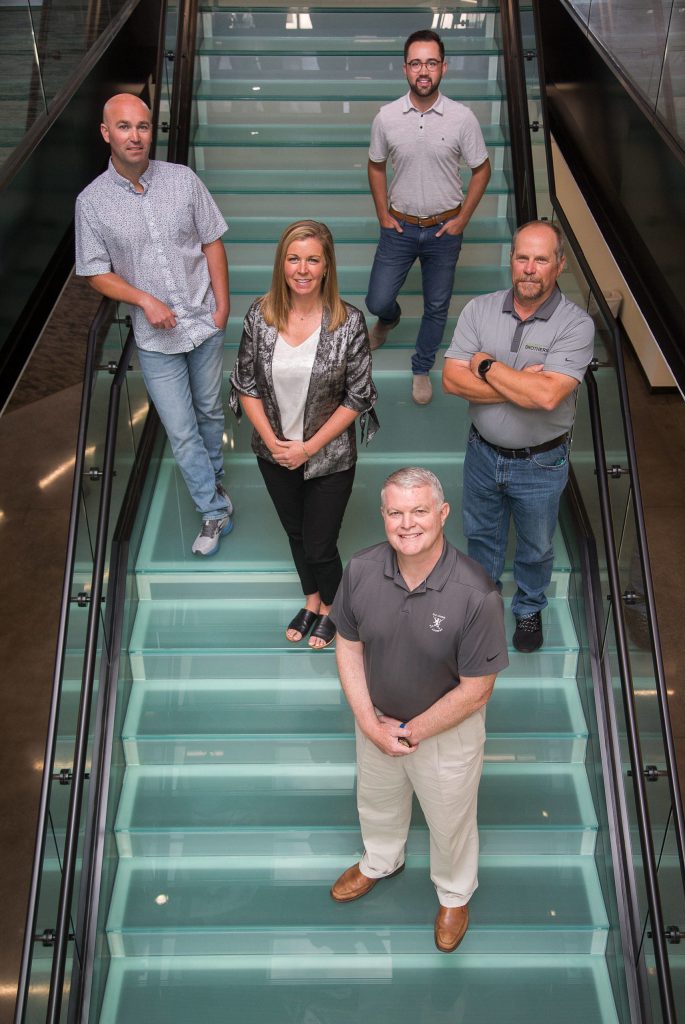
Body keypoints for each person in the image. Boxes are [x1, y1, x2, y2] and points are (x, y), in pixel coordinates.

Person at [329, 467, 508, 952]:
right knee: (377, 801)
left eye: (420, 511)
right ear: (384, 516)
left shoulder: (477, 593)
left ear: (443, 513)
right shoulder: (362, 570)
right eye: (395, 512)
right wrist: (370, 723)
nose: (407, 524)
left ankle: (454, 892)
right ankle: (380, 859)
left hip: (444, 733)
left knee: (451, 820)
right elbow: (347, 646)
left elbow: (476, 691)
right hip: (377, 720)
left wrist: (409, 732)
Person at [75, 93, 233, 556]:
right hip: (153, 336)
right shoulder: (93, 202)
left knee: (208, 412)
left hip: (204, 322)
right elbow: (94, 272)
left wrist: (222, 306)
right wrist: (144, 299)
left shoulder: (182, 181)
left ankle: (216, 480)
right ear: (107, 133)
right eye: (124, 127)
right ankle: (213, 510)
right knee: (180, 428)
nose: (135, 135)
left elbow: (212, 242)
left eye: (143, 126)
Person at [442, 221, 595, 653]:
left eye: (541, 259)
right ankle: (480, 608)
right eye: (522, 257)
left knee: (536, 545)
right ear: (512, 260)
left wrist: (487, 365)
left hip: (541, 462)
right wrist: (518, 385)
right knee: (480, 537)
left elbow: (547, 396)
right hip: (482, 453)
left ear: (559, 265)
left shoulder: (576, 325)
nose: (530, 269)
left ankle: (528, 607)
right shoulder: (479, 309)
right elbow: (451, 382)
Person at [229, 220, 379, 649]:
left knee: (319, 543)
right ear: (282, 264)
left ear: (327, 266)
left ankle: (337, 607)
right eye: (294, 259)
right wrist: (274, 443)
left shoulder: (348, 322)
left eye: (313, 259)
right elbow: (245, 383)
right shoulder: (260, 316)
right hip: (273, 453)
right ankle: (312, 600)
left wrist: (308, 447)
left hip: (328, 456)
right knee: (296, 534)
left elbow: (358, 395)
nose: (302, 268)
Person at [365, 29, 491, 406]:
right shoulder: (386, 117)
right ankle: (388, 319)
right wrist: (382, 213)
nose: (424, 71)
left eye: (431, 63)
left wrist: (462, 220)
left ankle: (421, 367)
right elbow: (375, 166)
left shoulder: (462, 118)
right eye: (416, 63)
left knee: (437, 306)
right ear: (405, 69)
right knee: (376, 299)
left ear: (443, 68)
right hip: (399, 227)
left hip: (444, 231)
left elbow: (481, 170)